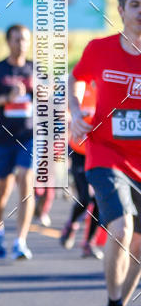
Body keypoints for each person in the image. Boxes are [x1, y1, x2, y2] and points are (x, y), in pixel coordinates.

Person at [69, 0, 141, 306]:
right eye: (135, 4)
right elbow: (75, 79)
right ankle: (113, 304)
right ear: (121, 10)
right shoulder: (99, 49)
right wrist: (76, 111)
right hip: (106, 152)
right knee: (122, 224)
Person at [0, 25, 35, 260]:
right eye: (16, 39)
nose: (20, 43)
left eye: (24, 39)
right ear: (8, 42)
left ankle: (21, 241)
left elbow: (51, 96)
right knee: (3, 189)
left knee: (25, 177)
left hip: (29, 136)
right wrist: (6, 98)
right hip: (2, 138)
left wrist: (42, 91)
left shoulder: (36, 69)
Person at [60, 81, 102, 258]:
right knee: (84, 198)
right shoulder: (80, 86)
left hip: (100, 153)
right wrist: (72, 116)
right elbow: (65, 109)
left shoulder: (106, 87)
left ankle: (89, 243)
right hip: (79, 151)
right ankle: (71, 224)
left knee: (100, 200)